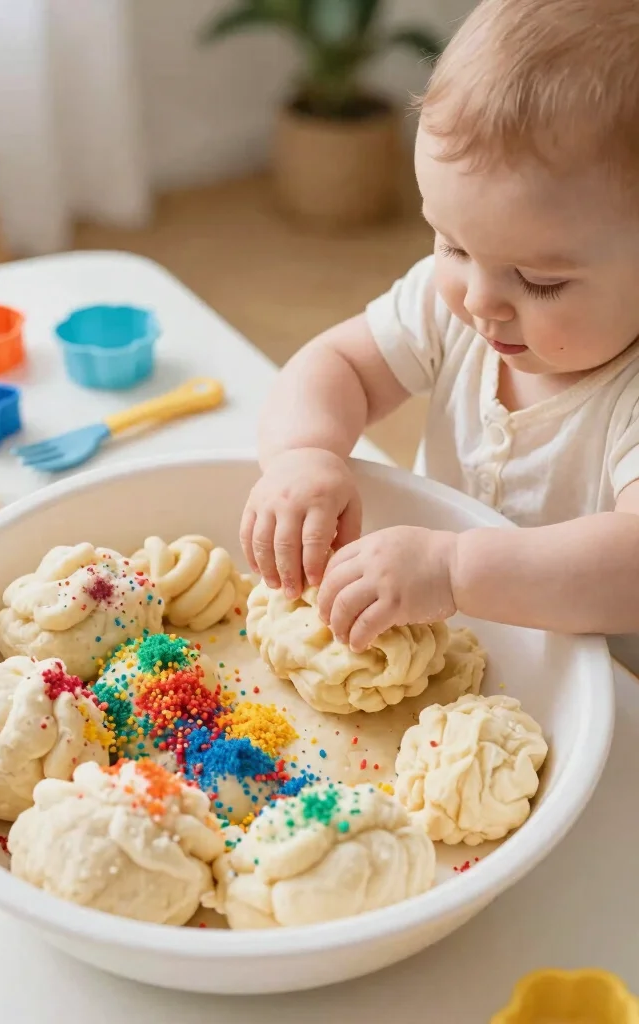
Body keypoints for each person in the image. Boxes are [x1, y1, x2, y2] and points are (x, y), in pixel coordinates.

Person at [240, 0, 639, 653]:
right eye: (450, 244)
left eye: (540, 280)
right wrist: (303, 455)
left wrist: (456, 571)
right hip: (452, 641)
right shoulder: (452, 301)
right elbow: (337, 365)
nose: (481, 300)